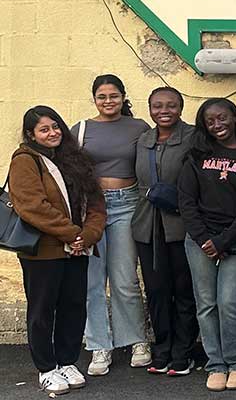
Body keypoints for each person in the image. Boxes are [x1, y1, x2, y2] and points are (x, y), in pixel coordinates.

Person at [9, 106, 105, 394]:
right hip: (44, 251)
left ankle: (67, 361)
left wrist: (87, 236)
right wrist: (73, 233)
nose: (52, 133)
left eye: (55, 127)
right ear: (31, 134)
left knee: (73, 306)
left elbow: (97, 205)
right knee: (42, 310)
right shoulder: (25, 161)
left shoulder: (76, 160)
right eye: (44, 129)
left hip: (77, 249)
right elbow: (32, 206)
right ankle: (47, 369)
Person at [71, 74, 152, 376]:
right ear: (94, 98)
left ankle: (136, 341)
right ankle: (99, 346)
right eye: (102, 96)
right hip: (90, 208)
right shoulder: (80, 129)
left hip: (127, 205)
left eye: (114, 96)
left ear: (123, 97)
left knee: (125, 279)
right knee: (93, 281)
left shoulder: (139, 127)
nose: (108, 101)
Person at [178, 98, 236, 391]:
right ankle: (216, 364)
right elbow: (186, 201)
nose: (217, 125)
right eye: (210, 121)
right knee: (207, 304)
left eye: (222, 118)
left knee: (230, 303)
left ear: (235, 118)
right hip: (199, 240)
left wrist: (223, 240)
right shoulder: (196, 154)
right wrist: (204, 240)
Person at [131, 87, 199, 376]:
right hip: (147, 226)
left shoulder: (193, 136)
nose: (164, 111)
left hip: (181, 226)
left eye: (171, 105)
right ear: (149, 109)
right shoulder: (143, 140)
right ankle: (162, 349)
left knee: (184, 291)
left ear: (181, 108)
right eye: (157, 106)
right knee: (157, 291)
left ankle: (184, 352)